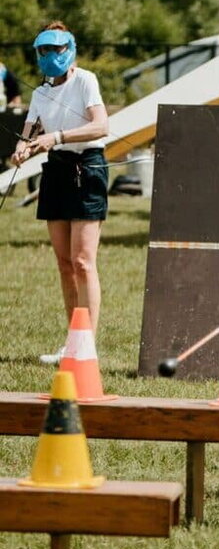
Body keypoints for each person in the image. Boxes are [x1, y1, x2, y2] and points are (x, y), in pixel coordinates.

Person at [11, 21, 109, 365]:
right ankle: (73, 341)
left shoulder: (85, 80)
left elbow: (101, 125)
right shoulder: (40, 94)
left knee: (83, 261)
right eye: (44, 50)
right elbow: (28, 136)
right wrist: (22, 150)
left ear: (69, 49)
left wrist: (58, 137)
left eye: (56, 49)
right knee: (65, 263)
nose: (50, 55)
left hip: (87, 168)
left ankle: (87, 346)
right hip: (56, 171)